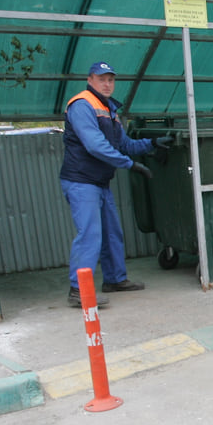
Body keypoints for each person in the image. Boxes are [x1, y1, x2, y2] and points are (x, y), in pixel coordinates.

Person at [60, 60, 172, 308]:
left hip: (99, 182)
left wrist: (152, 144)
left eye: (110, 79)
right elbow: (95, 145)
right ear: (90, 80)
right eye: (102, 79)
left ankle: (114, 280)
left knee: (111, 233)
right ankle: (79, 290)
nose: (107, 83)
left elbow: (124, 145)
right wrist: (131, 165)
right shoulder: (82, 105)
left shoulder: (109, 109)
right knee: (89, 235)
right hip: (80, 181)